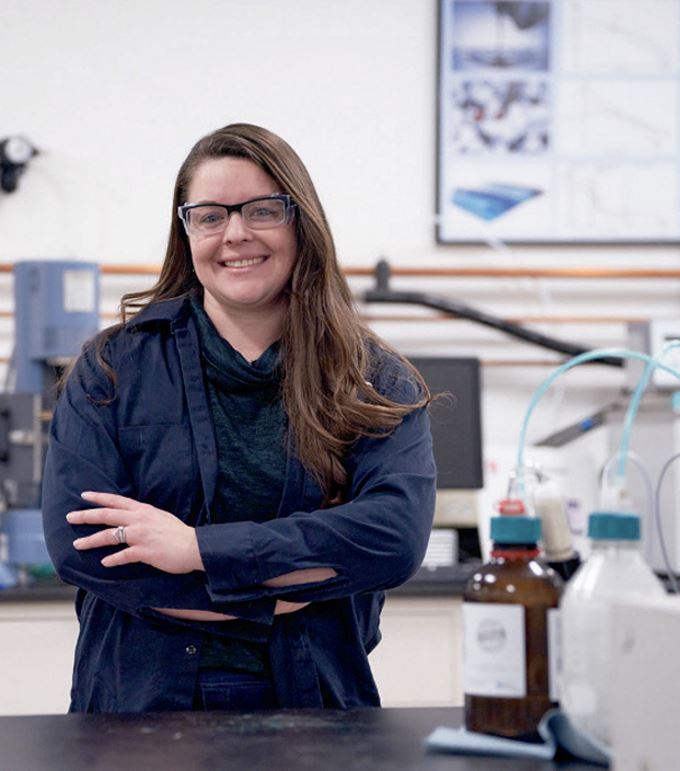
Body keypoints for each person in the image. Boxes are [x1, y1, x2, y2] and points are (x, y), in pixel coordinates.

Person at [41, 123, 437, 713]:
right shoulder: (111, 371)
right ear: (187, 231)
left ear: (299, 221)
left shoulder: (370, 379)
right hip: (137, 716)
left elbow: (393, 537)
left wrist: (196, 548)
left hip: (315, 710)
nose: (235, 234)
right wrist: (278, 591)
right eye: (209, 216)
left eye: (261, 210)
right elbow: (83, 549)